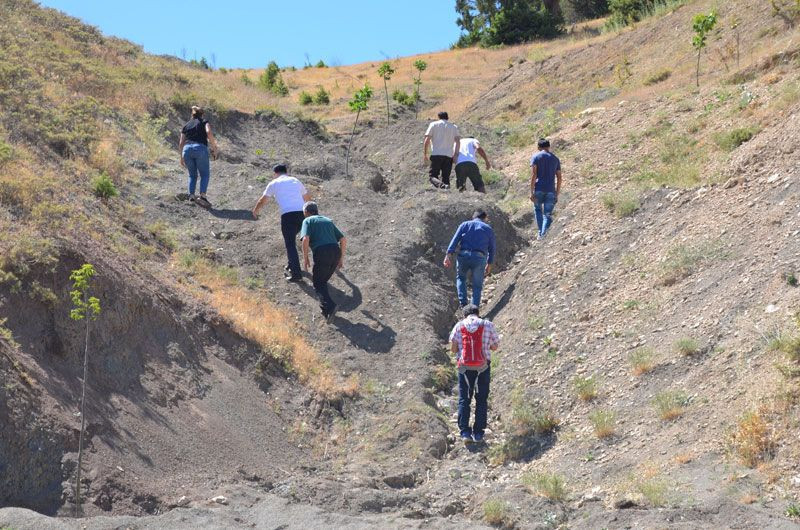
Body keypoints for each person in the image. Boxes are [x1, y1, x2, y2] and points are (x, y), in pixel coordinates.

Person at [252, 164, 312, 282]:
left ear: (275, 173)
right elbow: (307, 197)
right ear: (286, 172)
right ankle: (292, 264)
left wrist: (255, 211)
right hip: (302, 214)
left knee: (290, 244)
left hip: (288, 216)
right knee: (302, 239)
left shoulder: (274, 183)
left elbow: (262, 200)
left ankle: (296, 274)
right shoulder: (295, 180)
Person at [449, 304, 499, 443]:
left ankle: (465, 432)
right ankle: (478, 433)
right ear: (478, 313)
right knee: (481, 399)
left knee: (464, 398)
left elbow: (453, 349)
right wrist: (485, 345)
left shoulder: (459, 326)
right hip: (482, 367)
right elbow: (495, 346)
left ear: (465, 315)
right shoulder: (487, 325)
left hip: (464, 369)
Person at [300, 201, 347, 322]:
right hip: (335, 252)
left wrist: (305, 258)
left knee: (318, 283)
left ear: (306, 212)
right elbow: (343, 239)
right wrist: (341, 258)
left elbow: (305, 239)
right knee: (322, 281)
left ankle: (330, 308)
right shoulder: (327, 220)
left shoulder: (307, 221)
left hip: (322, 252)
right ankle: (326, 310)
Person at [444, 210, 496, 308]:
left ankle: (463, 305)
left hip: (463, 256)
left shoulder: (465, 225)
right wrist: (490, 263)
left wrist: (448, 255)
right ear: (485, 218)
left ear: (473, 217)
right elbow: (492, 248)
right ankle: (473, 310)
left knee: (461, 278)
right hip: (479, 258)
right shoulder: (488, 229)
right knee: (477, 285)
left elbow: (455, 240)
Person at [179, 106, 219, 208]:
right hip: (200, 148)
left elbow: (181, 143)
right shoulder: (204, 122)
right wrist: (214, 147)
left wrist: (181, 156)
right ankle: (202, 197)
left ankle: (191, 196)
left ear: (192, 115)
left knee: (192, 175)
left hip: (186, 150)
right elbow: (208, 132)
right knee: (205, 174)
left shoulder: (186, 125)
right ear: (202, 114)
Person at [529, 138, 562, 240]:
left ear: (539, 147)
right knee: (547, 214)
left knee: (538, 210)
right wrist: (557, 193)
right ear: (549, 147)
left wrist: (531, 192)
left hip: (538, 188)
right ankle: (543, 235)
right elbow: (559, 178)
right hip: (551, 190)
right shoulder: (555, 159)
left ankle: (540, 233)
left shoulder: (535, 157)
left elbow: (534, 175)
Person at [423, 111, 460, 189]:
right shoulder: (454, 127)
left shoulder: (433, 124)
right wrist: (455, 155)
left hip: (436, 154)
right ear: (447, 117)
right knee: (446, 178)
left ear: (438, 117)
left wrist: (425, 154)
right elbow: (458, 142)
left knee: (432, 176)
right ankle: (447, 193)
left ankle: (442, 186)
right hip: (449, 155)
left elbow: (427, 140)